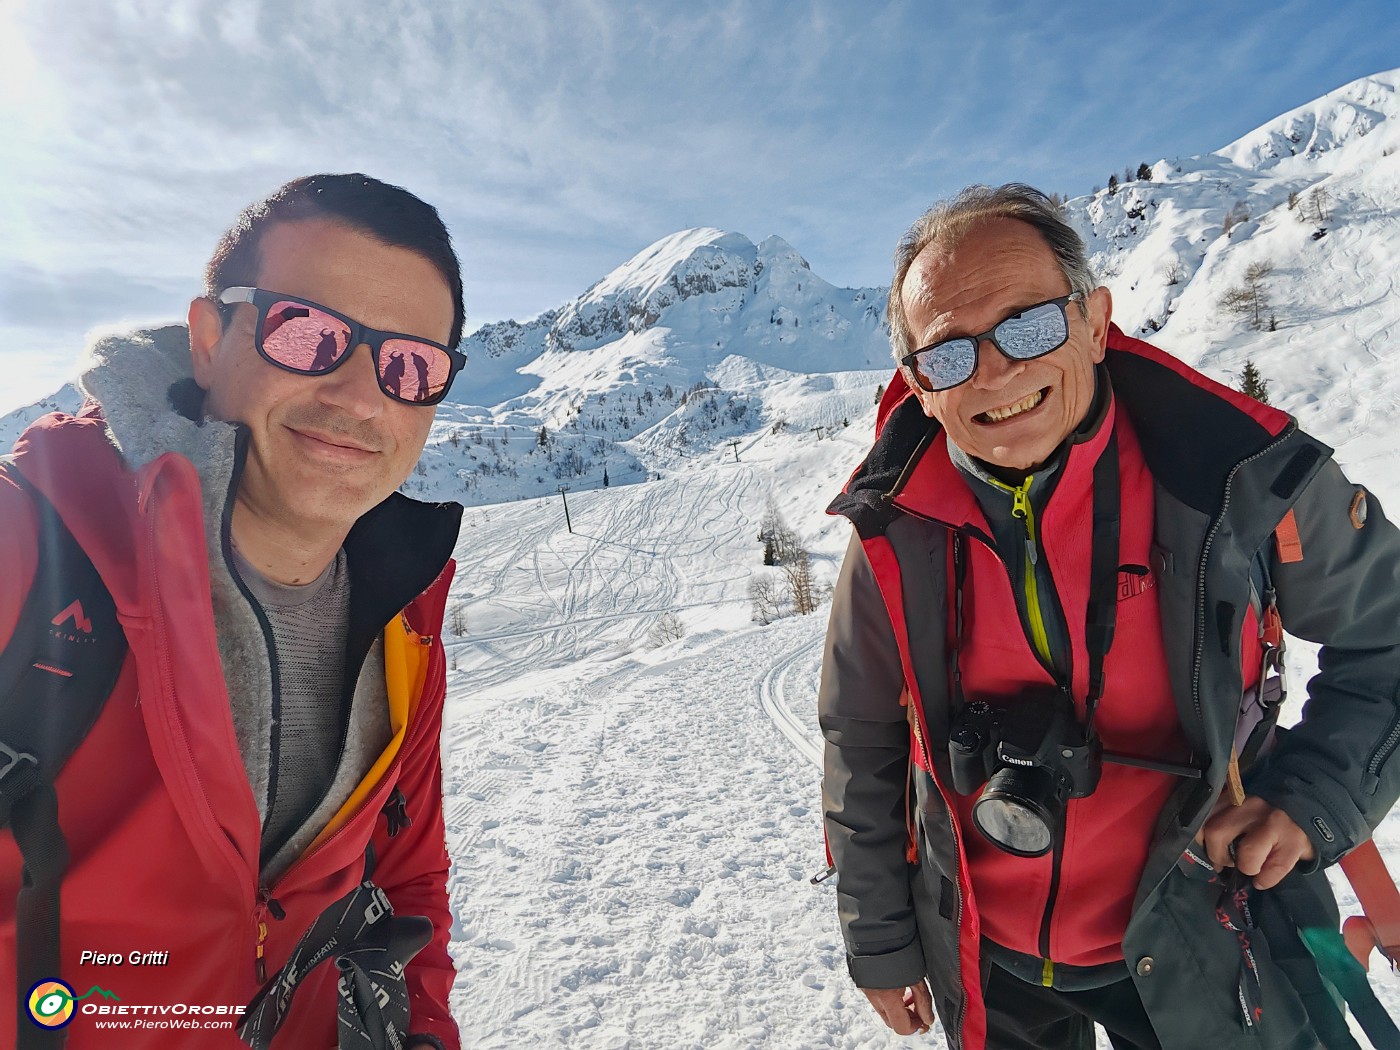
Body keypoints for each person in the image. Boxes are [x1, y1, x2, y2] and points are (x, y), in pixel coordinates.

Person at [819, 183, 1400, 1049]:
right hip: (985, 959)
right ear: (916, 384)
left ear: (1094, 321)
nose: (994, 372)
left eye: (1029, 324)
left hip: (1206, 935)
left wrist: (1310, 798)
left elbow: (1386, 632)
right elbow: (859, 743)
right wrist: (880, 943)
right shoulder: (892, 532)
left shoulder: (1237, 482)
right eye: (947, 354)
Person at [0, 173, 470, 1048]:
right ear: (210, 338)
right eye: (309, 333)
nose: (362, 397)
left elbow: (410, 884)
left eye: (409, 366)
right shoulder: (30, 549)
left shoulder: (404, 621)